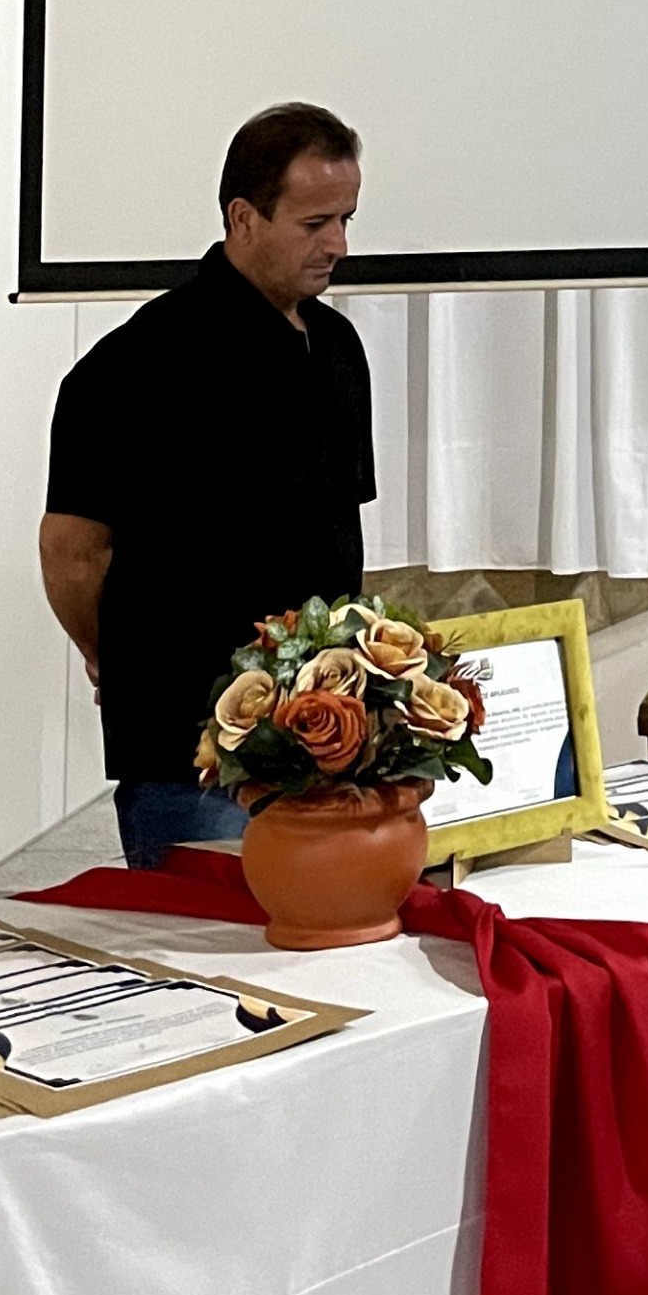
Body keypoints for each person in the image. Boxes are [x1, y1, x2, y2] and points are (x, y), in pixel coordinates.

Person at [41, 101, 375, 871]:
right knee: (202, 937)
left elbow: (336, 536)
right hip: (190, 754)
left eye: (346, 219)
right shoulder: (135, 366)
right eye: (315, 223)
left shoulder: (336, 348)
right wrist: (113, 656)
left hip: (321, 736)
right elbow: (71, 551)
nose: (338, 245)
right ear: (243, 217)